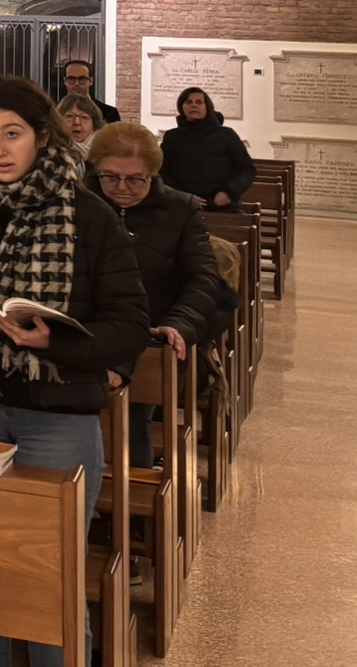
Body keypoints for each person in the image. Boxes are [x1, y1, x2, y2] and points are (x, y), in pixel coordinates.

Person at [0, 76, 151, 667]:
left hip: (57, 411)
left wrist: (55, 341)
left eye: (13, 134)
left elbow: (128, 325)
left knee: (53, 571)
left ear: (42, 137)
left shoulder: (87, 214)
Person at [87, 121, 225, 467]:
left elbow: (203, 279)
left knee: (132, 426)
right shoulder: (78, 203)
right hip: (85, 332)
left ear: (153, 173)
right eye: (110, 177)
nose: (121, 188)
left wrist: (179, 323)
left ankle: (130, 512)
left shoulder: (180, 210)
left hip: (149, 334)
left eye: (135, 179)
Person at [159, 86, 255, 210]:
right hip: (183, 206)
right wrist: (183, 197)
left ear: (207, 107)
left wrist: (229, 193)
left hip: (222, 206)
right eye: (188, 102)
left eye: (199, 102)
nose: (194, 105)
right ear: (181, 107)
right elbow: (161, 172)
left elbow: (246, 169)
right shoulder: (172, 137)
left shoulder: (226, 135)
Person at [61, 59, 121, 124]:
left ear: (91, 81)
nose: (77, 83)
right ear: (65, 81)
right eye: (71, 79)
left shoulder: (110, 113)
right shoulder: (52, 112)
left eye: (82, 79)